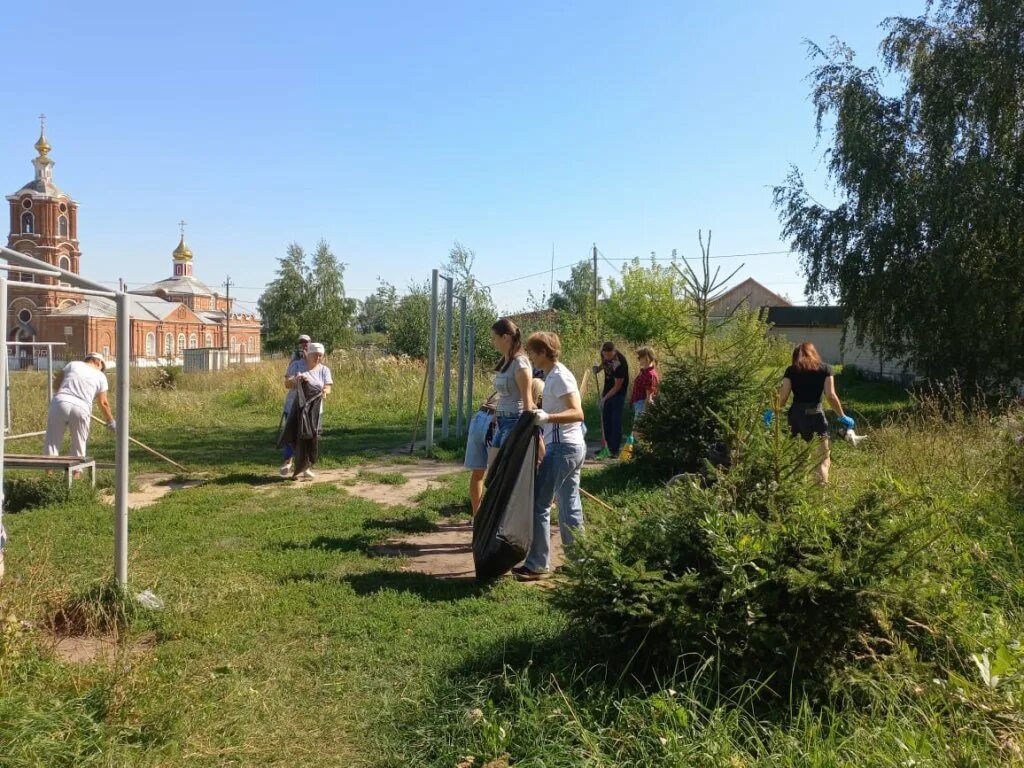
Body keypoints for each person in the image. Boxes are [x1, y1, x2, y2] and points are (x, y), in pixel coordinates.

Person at [514, 332, 586, 581]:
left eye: (533, 352)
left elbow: (578, 413)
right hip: (570, 447)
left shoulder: (560, 376)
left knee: (540, 503)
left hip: (563, 447)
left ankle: (537, 564)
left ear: (544, 352)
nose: (531, 358)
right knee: (569, 505)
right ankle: (579, 562)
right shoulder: (551, 375)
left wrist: (547, 417)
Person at [770, 342, 854, 485]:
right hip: (815, 414)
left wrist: (772, 411)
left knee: (799, 458)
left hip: (796, 416)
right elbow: (831, 395)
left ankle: (797, 493)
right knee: (823, 458)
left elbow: (783, 396)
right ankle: (820, 493)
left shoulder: (791, 370)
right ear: (814, 353)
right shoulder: (826, 369)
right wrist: (842, 416)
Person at [44, 352, 115, 458]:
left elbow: (57, 382)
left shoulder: (73, 364)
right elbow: (103, 402)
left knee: (52, 441)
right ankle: (75, 473)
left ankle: (48, 474)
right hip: (82, 407)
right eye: (102, 367)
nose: (102, 370)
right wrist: (111, 421)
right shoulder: (101, 376)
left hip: (60, 402)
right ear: (98, 361)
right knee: (79, 446)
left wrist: (62, 397)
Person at [279, 342, 333, 478]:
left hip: (314, 412)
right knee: (292, 435)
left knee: (311, 437)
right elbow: (287, 383)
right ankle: (287, 462)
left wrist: (324, 392)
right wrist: (296, 380)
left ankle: (306, 467)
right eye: (315, 355)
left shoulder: (324, 370)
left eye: (321, 355)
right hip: (294, 408)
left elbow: (328, 387)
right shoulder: (296, 365)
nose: (318, 358)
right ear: (308, 354)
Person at [490, 318, 534, 454]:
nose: (493, 342)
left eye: (494, 338)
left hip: (514, 420)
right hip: (502, 421)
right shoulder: (505, 361)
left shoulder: (520, 363)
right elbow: (503, 394)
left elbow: (528, 401)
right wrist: (496, 415)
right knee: (493, 465)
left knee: (505, 469)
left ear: (505, 337)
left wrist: (525, 429)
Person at [593, 341, 629, 459]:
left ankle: (614, 450)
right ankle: (606, 448)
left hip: (618, 394)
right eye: (605, 354)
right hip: (607, 391)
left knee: (615, 421)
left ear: (614, 351)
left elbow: (618, 386)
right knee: (605, 420)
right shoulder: (604, 355)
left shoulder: (620, 363)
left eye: (609, 355)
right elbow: (604, 363)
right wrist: (598, 369)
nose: (607, 357)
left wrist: (604, 399)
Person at [622, 346, 659, 459]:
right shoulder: (643, 371)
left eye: (640, 357)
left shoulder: (650, 375)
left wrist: (645, 413)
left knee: (638, 432)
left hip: (643, 405)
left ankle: (633, 457)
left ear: (647, 357)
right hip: (638, 404)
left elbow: (649, 397)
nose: (638, 359)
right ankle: (633, 456)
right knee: (636, 432)